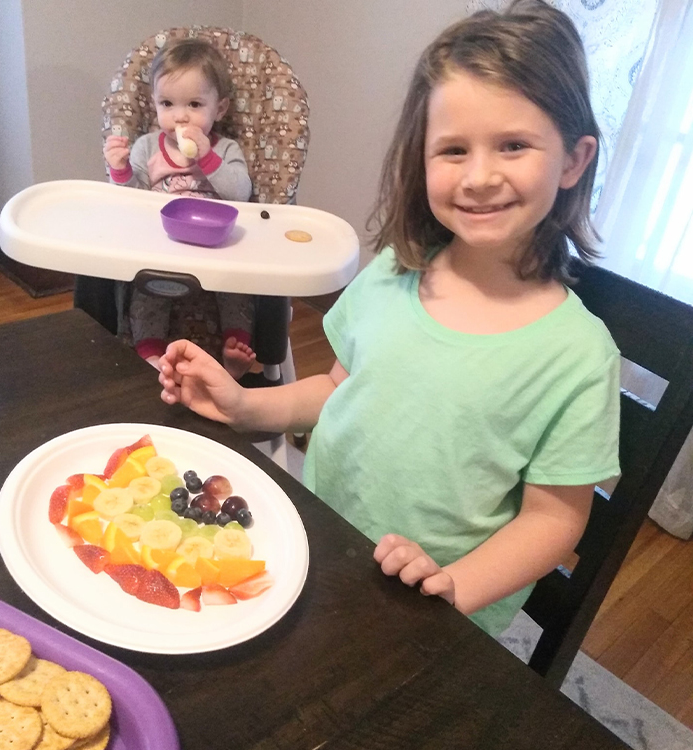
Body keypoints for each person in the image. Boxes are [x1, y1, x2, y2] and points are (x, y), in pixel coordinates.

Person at [157, 0, 621, 637]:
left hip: (429, 615)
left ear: (573, 160)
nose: (480, 177)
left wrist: (457, 585)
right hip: (314, 547)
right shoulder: (393, 272)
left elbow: (554, 521)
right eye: (453, 149)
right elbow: (339, 390)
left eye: (514, 145)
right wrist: (244, 406)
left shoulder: (578, 356)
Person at [103, 37, 255, 378]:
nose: (179, 116)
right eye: (167, 103)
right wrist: (121, 170)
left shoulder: (226, 149)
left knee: (238, 287)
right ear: (154, 104)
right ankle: (150, 352)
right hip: (163, 248)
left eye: (195, 105)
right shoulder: (146, 148)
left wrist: (208, 158)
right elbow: (131, 200)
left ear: (220, 109)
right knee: (147, 290)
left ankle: (234, 352)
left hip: (217, 247)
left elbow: (241, 194)